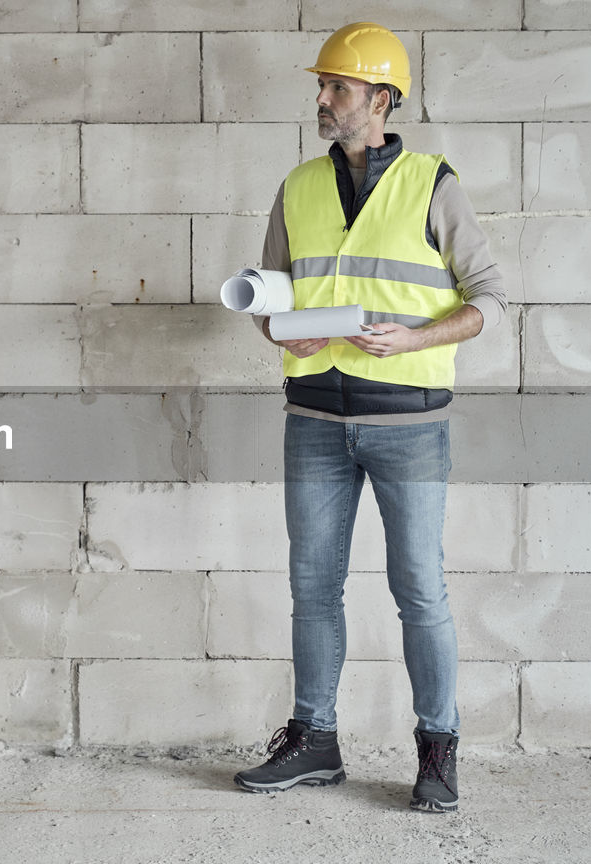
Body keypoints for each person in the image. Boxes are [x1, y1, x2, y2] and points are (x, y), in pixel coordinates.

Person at [232, 22, 506, 813]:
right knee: (312, 586)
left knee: (419, 587)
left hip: (408, 424)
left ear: (381, 99)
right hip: (314, 416)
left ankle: (437, 749)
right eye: (321, 87)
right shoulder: (299, 186)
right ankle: (314, 740)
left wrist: (416, 336)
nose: (322, 99)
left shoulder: (432, 183)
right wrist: (282, 324)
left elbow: (489, 297)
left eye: (338, 88)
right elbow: (270, 295)